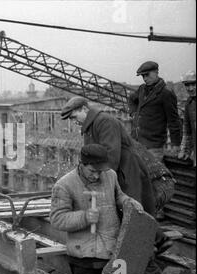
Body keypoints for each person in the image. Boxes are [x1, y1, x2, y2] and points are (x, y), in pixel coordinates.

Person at [60, 97, 173, 261]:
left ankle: (153, 245)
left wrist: (99, 181)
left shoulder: (105, 122)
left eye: (73, 117)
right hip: (115, 170)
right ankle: (156, 241)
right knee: (127, 210)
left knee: (131, 207)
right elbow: (91, 156)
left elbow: (111, 155)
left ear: (84, 109)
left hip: (127, 169)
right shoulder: (90, 127)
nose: (73, 122)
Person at [51, 144, 144, 274]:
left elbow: (118, 196)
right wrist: (85, 217)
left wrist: (128, 202)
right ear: (81, 164)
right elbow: (57, 219)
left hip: (112, 251)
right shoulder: (64, 185)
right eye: (92, 171)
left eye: (100, 171)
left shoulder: (110, 175)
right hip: (85, 258)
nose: (96, 175)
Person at [128, 61, 182, 161]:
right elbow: (131, 99)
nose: (145, 79)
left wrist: (176, 144)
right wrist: (133, 112)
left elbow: (173, 120)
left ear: (156, 72)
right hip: (136, 142)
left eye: (147, 75)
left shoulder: (166, 93)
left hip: (153, 146)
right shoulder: (142, 89)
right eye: (142, 76)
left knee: (152, 175)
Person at [178, 71, 196, 167]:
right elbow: (187, 130)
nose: (190, 88)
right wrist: (184, 150)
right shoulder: (189, 104)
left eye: (194, 84)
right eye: (187, 85)